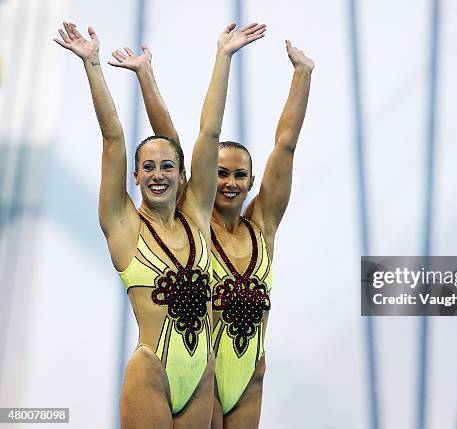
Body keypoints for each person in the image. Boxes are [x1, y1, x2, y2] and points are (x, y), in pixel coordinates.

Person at [54, 21, 265, 428]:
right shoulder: (122, 224)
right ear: (134, 175)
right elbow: (113, 138)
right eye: (148, 167)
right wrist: (92, 64)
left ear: (182, 175)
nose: (158, 174)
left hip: (201, 375)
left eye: (168, 166)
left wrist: (223, 57)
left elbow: (209, 132)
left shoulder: (197, 217)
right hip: (152, 372)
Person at [115, 33, 314, 428]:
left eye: (240, 176)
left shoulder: (263, 227)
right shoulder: (194, 222)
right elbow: (170, 138)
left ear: (252, 180)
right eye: (220, 173)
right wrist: (145, 75)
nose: (230, 183)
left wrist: (303, 75)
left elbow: (285, 147)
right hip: (203, 371)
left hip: (248, 378)